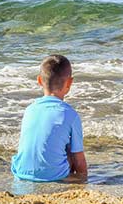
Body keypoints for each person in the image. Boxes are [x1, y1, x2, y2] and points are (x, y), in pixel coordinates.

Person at [11, 54, 87, 182]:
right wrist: (84, 179)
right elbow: (79, 159)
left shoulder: (29, 109)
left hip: (21, 172)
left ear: (39, 80)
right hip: (54, 176)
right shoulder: (70, 114)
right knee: (70, 147)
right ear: (69, 83)